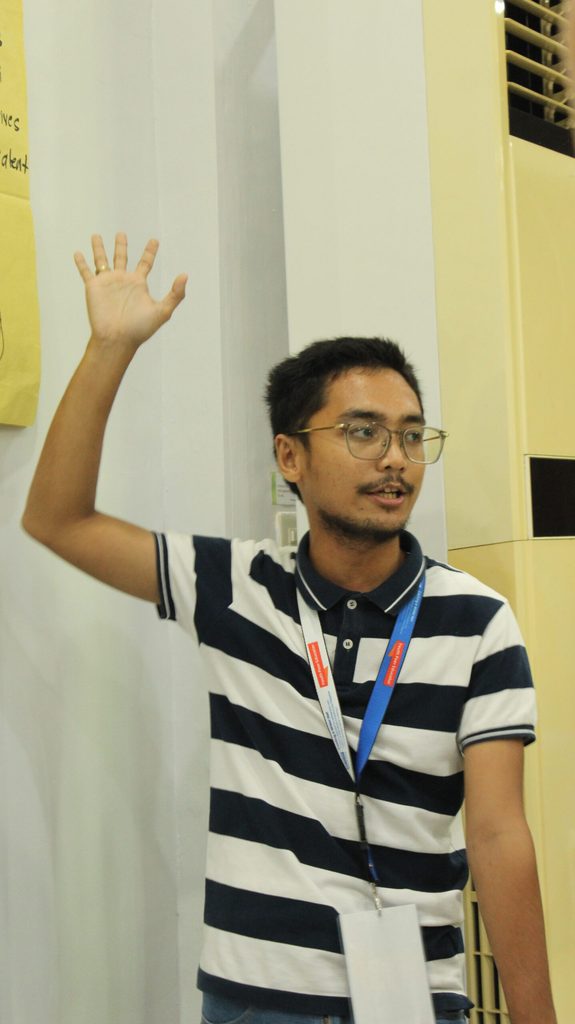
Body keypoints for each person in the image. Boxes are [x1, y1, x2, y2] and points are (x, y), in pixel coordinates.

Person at [23, 233, 557, 1024]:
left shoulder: (475, 621)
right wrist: (108, 349)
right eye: (363, 432)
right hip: (252, 1002)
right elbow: (57, 519)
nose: (395, 459)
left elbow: (498, 834)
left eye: (412, 435)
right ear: (290, 456)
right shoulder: (234, 588)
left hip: (413, 1000)